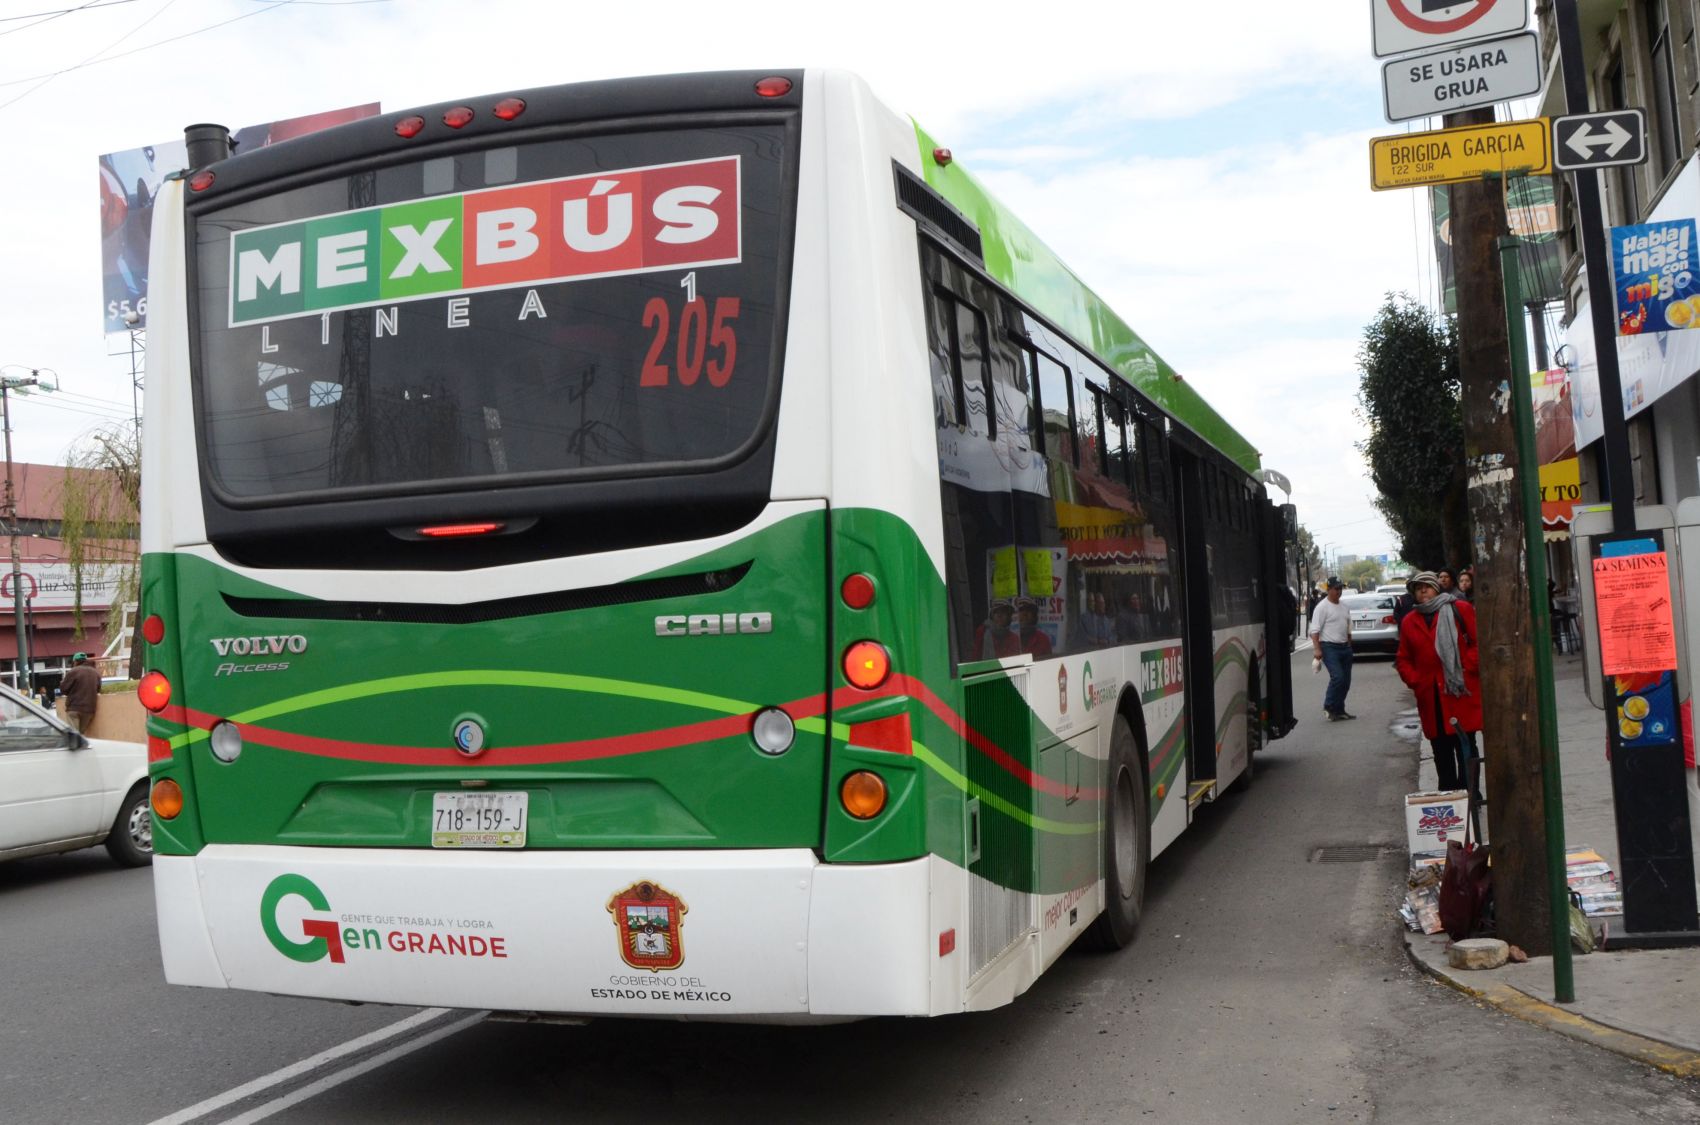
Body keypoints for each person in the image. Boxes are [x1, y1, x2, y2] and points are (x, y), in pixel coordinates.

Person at [1395, 571, 1482, 793]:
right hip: (1430, 695)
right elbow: (1403, 658)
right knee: (1441, 750)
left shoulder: (1459, 609)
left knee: (1465, 746)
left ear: (1437, 588)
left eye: (1427, 586)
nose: (1423, 590)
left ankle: (1470, 793)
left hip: (1459, 691)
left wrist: (1467, 667)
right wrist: (1415, 680)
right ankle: (1448, 795)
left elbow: (1477, 642)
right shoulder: (1409, 621)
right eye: (1418, 588)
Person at [1309, 577, 1355, 720]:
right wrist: (1317, 649)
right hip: (1329, 647)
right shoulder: (1322, 607)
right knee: (1338, 677)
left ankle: (1339, 709)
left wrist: (1349, 643)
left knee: (1346, 681)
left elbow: (1348, 627)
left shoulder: (1344, 606)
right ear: (1328, 589)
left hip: (1344, 647)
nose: (1339, 591)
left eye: (1341, 588)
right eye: (1336, 588)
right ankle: (1329, 706)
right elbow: (1314, 630)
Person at [60, 652, 101, 734]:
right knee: (81, 735)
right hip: (89, 709)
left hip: (74, 708)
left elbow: (63, 689)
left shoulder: (73, 671)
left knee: (74, 736)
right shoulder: (96, 673)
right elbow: (98, 690)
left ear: (75, 661)